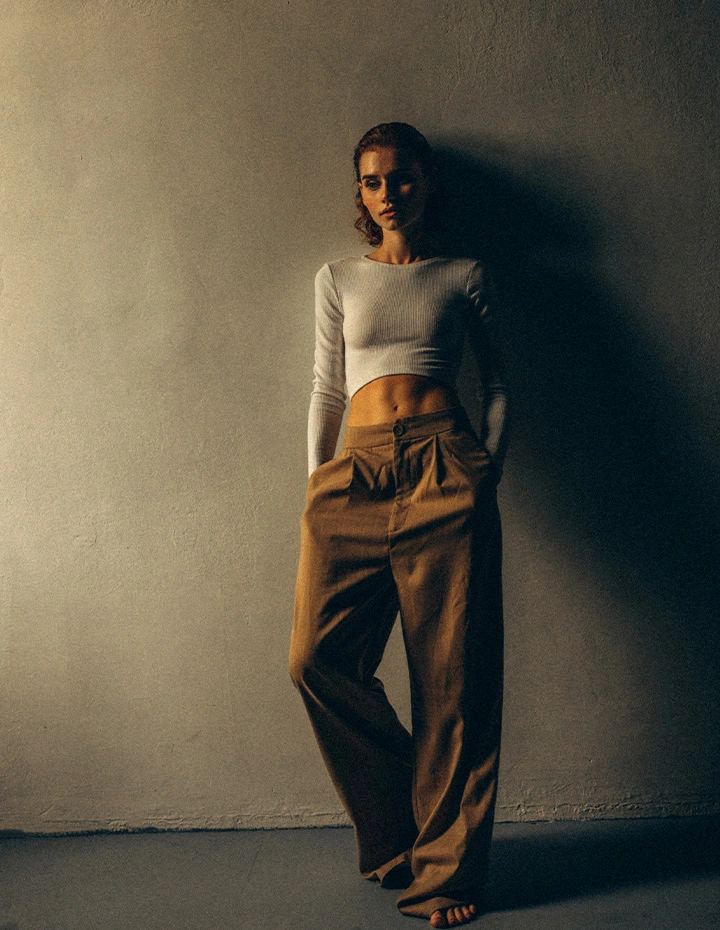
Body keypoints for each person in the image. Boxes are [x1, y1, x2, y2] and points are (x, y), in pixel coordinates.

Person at [289, 122, 509, 928]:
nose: (390, 193)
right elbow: (325, 387)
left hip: (447, 465)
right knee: (316, 658)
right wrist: (318, 484)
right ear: (360, 192)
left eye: (403, 178)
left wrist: (485, 473)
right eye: (375, 181)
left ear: (427, 182)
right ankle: (398, 837)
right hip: (356, 469)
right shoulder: (338, 277)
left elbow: (498, 386)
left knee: (453, 680)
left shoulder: (463, 275)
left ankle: (445, 876)